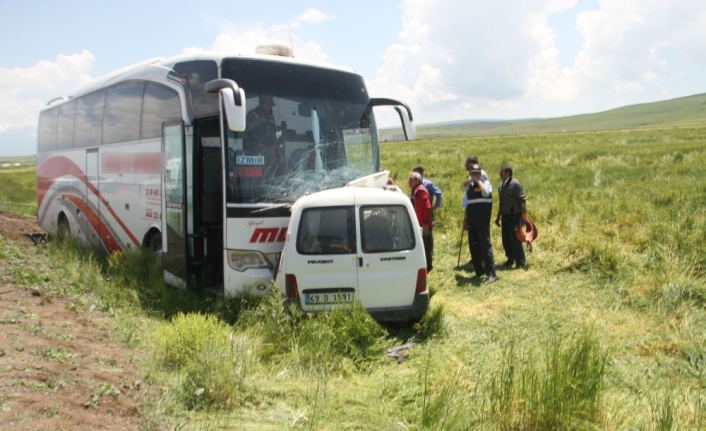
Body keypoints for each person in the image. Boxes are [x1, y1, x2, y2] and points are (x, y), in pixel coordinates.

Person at [464, 163, 498, 284]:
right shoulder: (469, 187)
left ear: (481, 174)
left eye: (477, 173)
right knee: (474, 246)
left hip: (482, 221)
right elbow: (467, 205)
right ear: (470, 173)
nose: (475, 175)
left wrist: (478, 181)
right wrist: (465, 220)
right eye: (473, 173)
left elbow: (485, 193)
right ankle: (479, 271)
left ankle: (492, 274)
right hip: (472, 220)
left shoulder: (486, 183)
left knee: (485, 246)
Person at [495, 164, 528, 269]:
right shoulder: (501, 186)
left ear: (508, 173)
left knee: (515, 240)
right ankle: (510, 259)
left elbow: (522, 201)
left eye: (502, 171)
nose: (500, 173)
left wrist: (523, 217)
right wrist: (498, 216)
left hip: (514, 217)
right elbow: (501, 203)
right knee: (506, 240)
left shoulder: (515, 184)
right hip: (505, 217)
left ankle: (521, 262)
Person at [461, 156, 490, 264]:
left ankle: (482, 260)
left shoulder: (480, 174)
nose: (465, 165)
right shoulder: (473, 176)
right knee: (474, 239)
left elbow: (483, 191)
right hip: (472, 209)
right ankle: (476, 258)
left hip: (479, 211)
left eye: (466, 163)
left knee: (481, 239)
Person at [408, 172, 433, 272]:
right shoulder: (417, 190)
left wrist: (426, 224)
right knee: (424, 245)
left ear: (417, 180)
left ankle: (428, 266)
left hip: (424, 225)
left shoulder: (420, 191)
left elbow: (427, 207)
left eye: (411, 179)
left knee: (426, 246)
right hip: (422, 224)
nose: (408, 181)